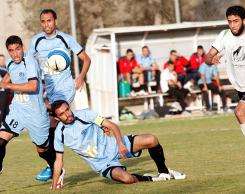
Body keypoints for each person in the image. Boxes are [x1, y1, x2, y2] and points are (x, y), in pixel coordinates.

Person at [51, 100, 186, 190]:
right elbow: (58, 161)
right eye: (62, 114)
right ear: (57, 118)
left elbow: (112, 126)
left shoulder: (85, 114)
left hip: (114, 146)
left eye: (67, 109)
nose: (67, 114)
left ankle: (164, 172)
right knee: (127, 179)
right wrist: (54, 186)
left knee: (151, 139)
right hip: (103, 164)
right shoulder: (59, 134)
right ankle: (152, 178)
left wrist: (120, 144)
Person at [29, 9, 91, 180]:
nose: (46, 24)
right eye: (43, 21)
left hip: (65, 89)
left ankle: (54, 166)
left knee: (49, 124)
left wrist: (80, 77)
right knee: (51, 126)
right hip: (49, 92)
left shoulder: (65, 38)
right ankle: (87, 130)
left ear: (55, 21)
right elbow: (28, 63)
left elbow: (86, 58)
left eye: (49, 20)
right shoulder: (36, 41)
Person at [206, 5, 245, 166]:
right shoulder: (224, 35)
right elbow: (208, 56)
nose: (233, 25)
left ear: (244, 21)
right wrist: (211, 59)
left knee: (240, 112)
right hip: (241, 87)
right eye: (230, 21)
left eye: (236, 21)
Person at [0, 36, 56, 178]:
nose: (15, 54)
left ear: (22, 47)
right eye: (11, 50)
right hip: (18, 111)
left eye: (17, 49)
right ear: (8, 51)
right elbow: (9, 76)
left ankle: (54, 166)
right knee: (0, 141)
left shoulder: (29, 61)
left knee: (42, 150)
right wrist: (3, 83)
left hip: (35, 114)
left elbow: (33, 86)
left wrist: (7, 85)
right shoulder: (10, 63)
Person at [0, 54, 10, 124]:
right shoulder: (3, 70)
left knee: (5, 112)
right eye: (0, 60)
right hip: (1, 93)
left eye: (3, 60)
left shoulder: (6, 68)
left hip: (6, 94)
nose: (2, 61)